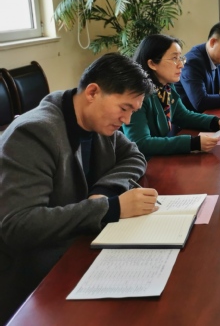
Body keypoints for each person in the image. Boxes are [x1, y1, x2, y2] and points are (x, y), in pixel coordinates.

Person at [0, 53, 158, 324]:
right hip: (34, 279)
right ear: (93, 92)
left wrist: (105, 190)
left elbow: (134, 156)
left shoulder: (96, 122)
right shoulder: (34, 133)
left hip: (78, 247)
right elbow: (19, 225)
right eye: (124, 108)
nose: (127, 120)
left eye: (133, 111)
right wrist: (110, 208)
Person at [124, 34, 220, 159]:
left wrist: (215, 122)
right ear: (152, 63)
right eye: (174, 58)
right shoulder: (136, 95)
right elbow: (140, 143)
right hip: (142, 163)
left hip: (159, 158)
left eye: (180, 58)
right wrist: (192, 143)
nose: (181, 65)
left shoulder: (166, 87)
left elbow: (182, 115)